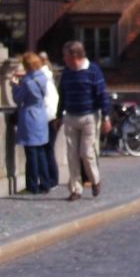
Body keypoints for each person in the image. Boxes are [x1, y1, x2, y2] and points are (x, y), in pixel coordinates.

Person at [55, 40, 111, 201]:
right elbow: (62, 95)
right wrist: (59, 116)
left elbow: (102, 95)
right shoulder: (67, 73)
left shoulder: (93, 71)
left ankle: (95, 180)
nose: (63, 59)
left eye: (65, 56)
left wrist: (106, 117)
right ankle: (76, 189)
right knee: (71, 155)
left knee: (86, 152)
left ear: (74, 56)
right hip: (71, 115)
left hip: (89, 116)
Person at [12, 52, 53, 193]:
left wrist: (14, 86)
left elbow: (18, 98)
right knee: (41, 151)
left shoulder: (28, 82)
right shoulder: (42, 77)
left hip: (29, 117)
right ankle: (46, 182)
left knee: (31, 153)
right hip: (41, 114)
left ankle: (32, 185)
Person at [38, 51, 61, 191]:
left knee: (46, 150)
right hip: (52, 116)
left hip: (47, 117)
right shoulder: (48, 76)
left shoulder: (41, 77)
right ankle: (53, 179)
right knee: (49, 150)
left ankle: (50, 180)